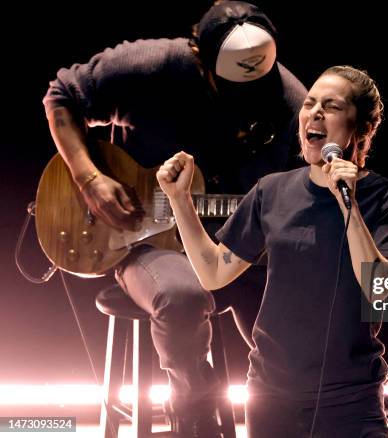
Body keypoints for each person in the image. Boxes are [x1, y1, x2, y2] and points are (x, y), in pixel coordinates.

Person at [42, 1, 307, 436]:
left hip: (234, 248)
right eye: (231, 89)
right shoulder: (154, 66)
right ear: (200, 61)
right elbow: (61, 95)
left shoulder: (290, 101)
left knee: (304, 309)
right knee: (182, 296)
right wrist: (89, 179)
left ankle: (289, 412)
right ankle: (194, 404)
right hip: (145, 241)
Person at [157, 65, 388, 437]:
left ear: (361, 128)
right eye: (310, 103)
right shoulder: (271, 192)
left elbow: (381, 291)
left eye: (332, 106)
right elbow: (213, 272)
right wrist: (179, 200)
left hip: (350, 401)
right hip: (270, 395)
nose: (314, 112)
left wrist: (348, 205)